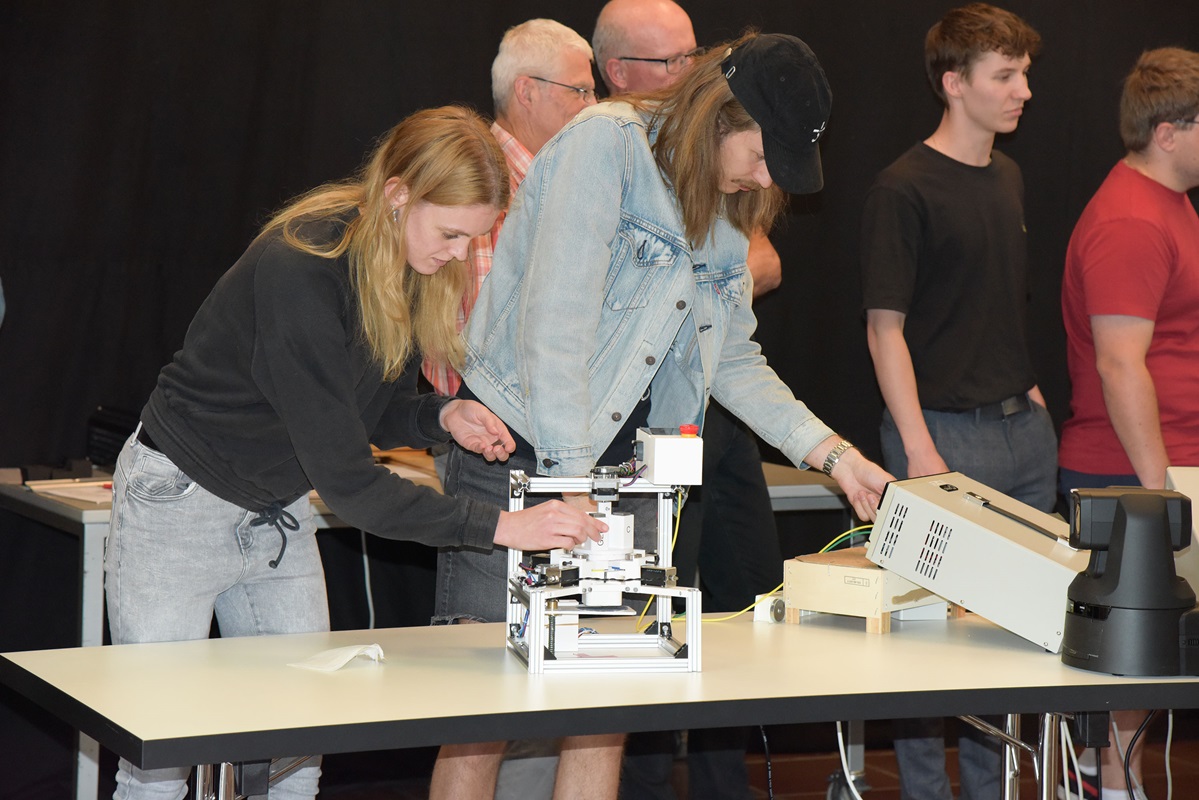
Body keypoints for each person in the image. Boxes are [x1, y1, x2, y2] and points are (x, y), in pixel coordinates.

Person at [430, 32, 892, 799]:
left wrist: (836, 457)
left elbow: (731, 359)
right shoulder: (604, 145)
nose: (765, 177)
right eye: (761, 153)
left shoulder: (724, 202)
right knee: (485, 712)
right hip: (519, 449)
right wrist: (569, 482)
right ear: (720, 115)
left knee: (602, 706)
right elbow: (555, 324)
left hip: (628, 471)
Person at [103, 106, 606, 800]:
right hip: (180, 502)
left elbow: (366, 408)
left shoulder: (402, 264)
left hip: (272, 508)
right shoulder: (301, 269)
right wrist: (501, 527)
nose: (462, 255)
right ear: (398, 194)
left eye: (476, 238)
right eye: (452, 233)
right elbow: (349, 484)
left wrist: (441, 415)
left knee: (297, 747)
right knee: (160, 755)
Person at [859, 5, 1053, 800]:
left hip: (1020, 433)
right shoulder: (902, 188)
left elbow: (997, 303)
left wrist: (1030, 395)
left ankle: (993, 787)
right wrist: (918, 449)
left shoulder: (1007, 176)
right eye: (1004, 76)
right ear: (953, 83)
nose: (1022, 91)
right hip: (941, 435)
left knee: (1013, 638)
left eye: (1023, 75)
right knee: (926, 636)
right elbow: (884, 330)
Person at [593, 3, 783, 798]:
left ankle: (721, 785)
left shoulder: (723, 184)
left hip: (700, 428)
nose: (685, 75)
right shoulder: (605, 153)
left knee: (737, 613)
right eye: (667, 63)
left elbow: (752, 292)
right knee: (618, 660)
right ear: (616, 73)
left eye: (690, 58)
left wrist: (833, 454)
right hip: (614, 445)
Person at [418, 19, 597, 800]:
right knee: (485, 694)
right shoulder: (488, 183)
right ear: (529, 92)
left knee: (571, 687)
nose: (593, 106)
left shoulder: (564, 181)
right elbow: (485, 336)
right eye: (581, 90)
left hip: (559, 449)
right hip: (496, 449)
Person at [1058, 46, 1199, 800]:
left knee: (1155, 650)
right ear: (1167, 133)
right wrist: (1160, 493)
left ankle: (1108, 774)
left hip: (1165, 462)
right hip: (1130, 470)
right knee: (1135, 651)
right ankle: (1111, 783)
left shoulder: (1169, 202)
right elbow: (1119, 364)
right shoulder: (1131, 220)